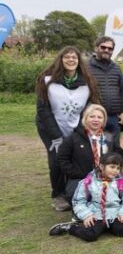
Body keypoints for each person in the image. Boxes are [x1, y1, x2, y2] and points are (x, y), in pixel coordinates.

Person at [36, 46, 100, 211]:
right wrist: (56, 136)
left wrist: (79, 130)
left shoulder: (87, 81)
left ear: (79, 61)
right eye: (67, 57)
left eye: (74, 57)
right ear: (61, 60)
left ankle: (73, 190)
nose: (71, 60)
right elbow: (44, 110)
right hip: (50, 128)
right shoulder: (46, 80)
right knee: (57, 159)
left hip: (76, 128)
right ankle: (58, 194)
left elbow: (90, 107)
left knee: (76, 156)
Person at [48, 152, 123, 241]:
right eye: (112, 167)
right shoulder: (87, 182)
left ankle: (106, 227)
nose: (115, 171)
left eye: (118, 168)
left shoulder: (122, 182)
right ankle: (70, 228)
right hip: (96, 214)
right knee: (90, 235)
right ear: (101, 166)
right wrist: (87, 215)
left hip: (115, 214)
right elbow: (78, 201)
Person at [58, 104, 120, 209]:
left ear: (104, 120)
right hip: (80, 178)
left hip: (106, 176)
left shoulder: (110, 138)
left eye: (99, 117)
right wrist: (76, 173)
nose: (96, 120)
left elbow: (117, 159)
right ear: (85, 118)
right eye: (92, 116)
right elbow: (62, 159)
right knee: (75, 194)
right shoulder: (72, 138)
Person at [88, 36, 123, 133]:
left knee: (114, 147)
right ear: (96, 48)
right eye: (103, 47)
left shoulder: (116, 68)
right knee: (95, 147)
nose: (106, 50)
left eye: (110, 49)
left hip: (114, 118)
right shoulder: (86, 67)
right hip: (94, 118)